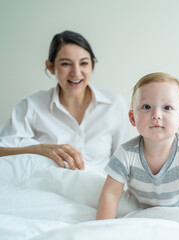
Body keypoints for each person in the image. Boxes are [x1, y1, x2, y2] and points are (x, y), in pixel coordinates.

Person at [96, 72, 179, 229]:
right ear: (132, 118)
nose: (156, 115)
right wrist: (100, 229)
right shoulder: (126, 154)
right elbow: (111, 193)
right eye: (146, 107)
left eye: (167, 107)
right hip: (141, 205)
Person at [0, 30, 129, 171]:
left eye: (84, 63)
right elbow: (2, 151)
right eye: (66, 64)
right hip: (49, 188)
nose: (76, 72)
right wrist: (39, 149)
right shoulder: (31, 106)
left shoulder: (115, 104)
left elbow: (125, 163)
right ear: (51, 67)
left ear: (92, 65)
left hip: (100, 189)